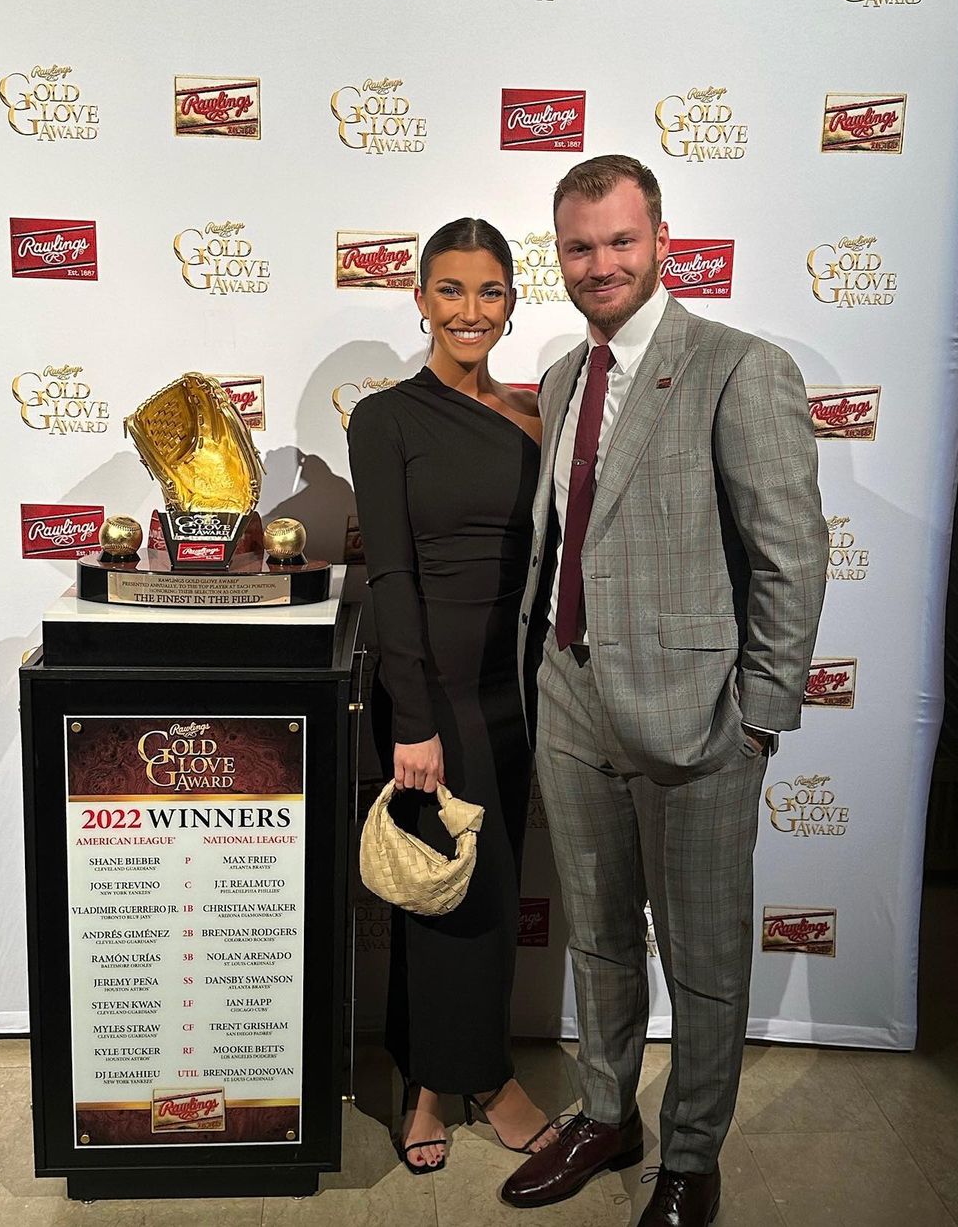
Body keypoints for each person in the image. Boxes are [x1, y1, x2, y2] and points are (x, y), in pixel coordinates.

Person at [502, 156, 828, 1226]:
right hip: (571, 694)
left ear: (662, 240)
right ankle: (607, 1113)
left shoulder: (741, 367)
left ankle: (691, 1156)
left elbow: (791, 555)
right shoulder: (560, 379)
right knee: (595, 933)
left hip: (701, 725)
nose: (600, 264)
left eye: (619, 241)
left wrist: (761, 718)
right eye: (579, 247)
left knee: (705, 955)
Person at [347, 218, 557, 1174]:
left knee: (493, 879)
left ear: (511, 303)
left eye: (490, 292)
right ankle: (462, 1081)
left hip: (518, 687)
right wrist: (416, 720)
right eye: (451, 290)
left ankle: (437, 1068)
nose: (470, 310)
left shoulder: (532, 416)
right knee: (445, 887)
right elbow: (388, 573)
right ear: (421, 299)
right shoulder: (385, 419)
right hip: (430, 691)